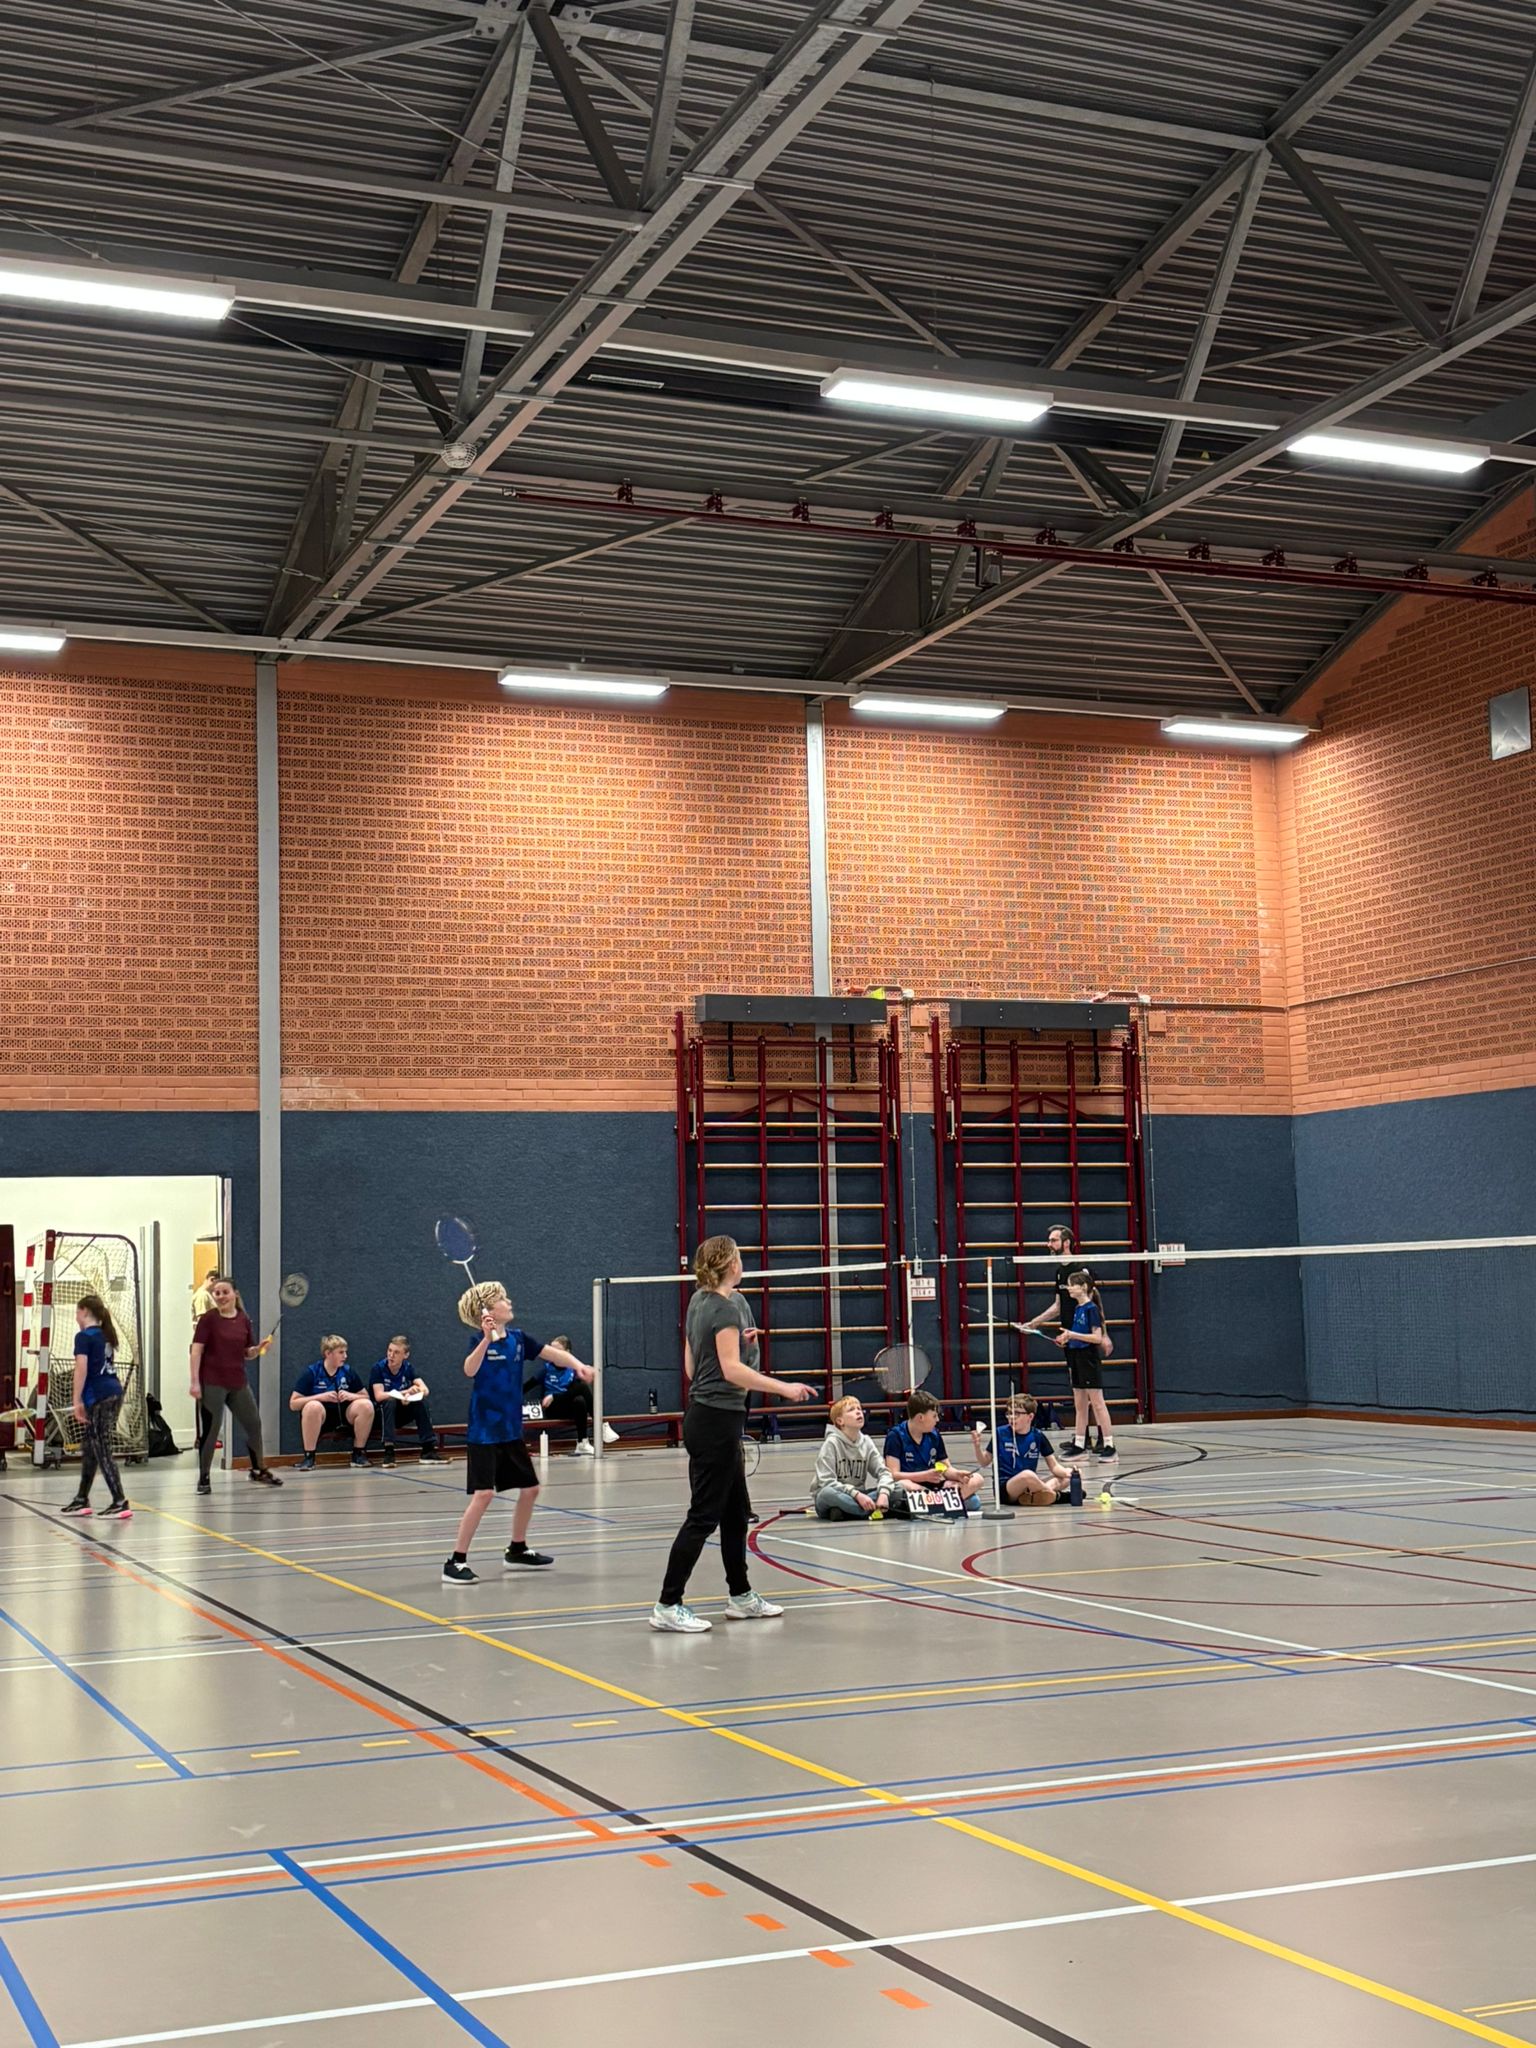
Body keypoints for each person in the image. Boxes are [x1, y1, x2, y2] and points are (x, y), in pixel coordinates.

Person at [652, 1235, 815, 1633]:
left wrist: (737, 1347)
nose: (743, 1263)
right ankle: (668, 1604)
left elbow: (692, 1367)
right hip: (715, 1422)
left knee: (735, 1513)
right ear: (730, 1265)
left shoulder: (699, 1302)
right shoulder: (725, 1308)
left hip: (708, 1415)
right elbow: (731, 1371)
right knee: (703, 1516)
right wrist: (783, 1388)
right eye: (740, 1258)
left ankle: (740, 1596)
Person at [442, 1284, 594, 1586]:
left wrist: (579, 1365)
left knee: (531, 1489)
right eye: (502, 1299)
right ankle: (455, 1561)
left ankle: (517, 1549)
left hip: (510, 1431)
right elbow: (469, 1370)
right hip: (484, 1431)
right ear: (486, 1311)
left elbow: (554, 1354)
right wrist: (486, 1340)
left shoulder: (519, 1339)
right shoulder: (478, 1341)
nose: (509, 1301)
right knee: (484, 1494)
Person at [190, 1274, 283, 1496]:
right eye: (217, 1293)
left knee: (254, 1424)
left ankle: (259, 1470)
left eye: (225, 1292)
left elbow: (246, 1352)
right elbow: (196, 1350)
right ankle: (204, 1477)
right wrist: (194, 1382)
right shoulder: (208, 1320)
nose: (221, 1296)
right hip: (212, 1383)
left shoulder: (243, 1319)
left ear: (235, 1294)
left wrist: (257, 1349)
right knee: (211, 1431)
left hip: (237, 1383)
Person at [60, 1295, 132, 1519]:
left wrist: (76, 1400)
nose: (76, 1317)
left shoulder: (84, 1336)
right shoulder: (104, 1334)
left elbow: (81, 1369)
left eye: (77, 1312)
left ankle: (119, 1501)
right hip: (114, 1392)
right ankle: (82, 1498)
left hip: (100, 1396)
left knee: (101, 1446)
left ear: (83, 1311)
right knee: (90, 1446)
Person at [975, 1392, 1081, 1507]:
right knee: (1027, 1475)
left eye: (1017, 1414)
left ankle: (1034, 1496)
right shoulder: (1000, 1433)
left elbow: (1054, 1466)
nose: (1011, 1417)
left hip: (1029, 1486)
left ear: (1030, 1417)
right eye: (1009, 1413)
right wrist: (977, 1447)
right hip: (1007, 1489)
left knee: (1066, 1478)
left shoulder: (1038, 1436)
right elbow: (984, 1461)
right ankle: (1057, 1496)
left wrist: (1068, 1472)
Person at [1054, 1268, 1116, 1460]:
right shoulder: (1078, 1309)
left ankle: (1109, 1445)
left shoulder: (1091, 1309)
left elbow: (1096, 1338)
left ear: (1083, 1287)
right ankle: (1079, 1445)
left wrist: (1072, 1334)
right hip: (1076, 1357)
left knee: (1097, 1403)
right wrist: (1066, 1338)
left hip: (1088, 1358)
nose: (1068, 1288)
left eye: (1072, 1285)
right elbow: (1079, 1335)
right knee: (1080, 1405)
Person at [883, 1389, 984, 1504]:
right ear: (921, 1418)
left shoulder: (934, 1435)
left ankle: (935, 1501)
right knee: (903, 1485)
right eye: (934, 1416)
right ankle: (942, 1501)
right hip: (911, 1486)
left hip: (933, 1487)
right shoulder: (895, 1436)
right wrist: (924, 1476)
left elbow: (946, 1468)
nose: (937, 1420)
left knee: (977, 1480)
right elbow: (894, 1475)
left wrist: (957, 1474)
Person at [290, 1338, 375, 1470]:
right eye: (341, 1352)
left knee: (366, 1405)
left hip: (344, 1414)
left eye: (345, 1352)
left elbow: (366, 1396)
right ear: (328, 1353)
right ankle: (309, 1457)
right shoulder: (312, 1372)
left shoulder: (348, 1371)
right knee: (312, 1406)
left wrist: (350, 1395)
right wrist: (320, 1397)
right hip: (321, 1416)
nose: (345, 1356)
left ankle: (359, 1453)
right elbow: (293, 1403)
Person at [810, 1395, 892, 1520]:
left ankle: (846, 1511)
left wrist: (884, 1494)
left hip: (859, 1496)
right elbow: (827, 1482)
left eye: (859, 1408)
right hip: (838, 1494)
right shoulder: (831, 1443)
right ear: (840, 1421)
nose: (858, 1412)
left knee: (899, 1487)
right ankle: (870, 1510)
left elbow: (883, 1472)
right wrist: (856, 1495)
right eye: (851, 1410)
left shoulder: (866, 1442)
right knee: (826, 1494)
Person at [370, 1335, 446, 1467]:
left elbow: (425, 1390)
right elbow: (379, 1396)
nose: (391, 1355)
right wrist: (403, 1393)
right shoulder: (378, 1368)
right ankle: (389, 1452)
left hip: (400, 1413)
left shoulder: (408, 1368)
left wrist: (415, 1391)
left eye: (396, 1352)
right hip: (381, 1415)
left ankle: (428, 1450)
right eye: (389, 1350)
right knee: (389, 1401)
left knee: (421, 1402)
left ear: (405, 1355)